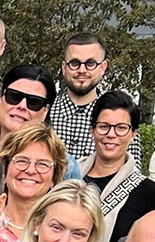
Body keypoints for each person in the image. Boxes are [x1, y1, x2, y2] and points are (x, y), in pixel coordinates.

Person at [70, 92, 155, 242]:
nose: (111, 134)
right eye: (104, 126)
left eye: (121, 128)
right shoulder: (69, 176)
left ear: (133, 133)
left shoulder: (147, 192)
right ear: (92, 130)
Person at [46, 34, 138, 170]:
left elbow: (132, 176)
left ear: (103, 67)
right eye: (75, 63)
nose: (82, 70)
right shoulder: (44, 112)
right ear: (64, 67)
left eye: (90, 64)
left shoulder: (122, 122)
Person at [0, 123, 70, 242]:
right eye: (22, 161)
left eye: (42, 164)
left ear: (53, 178)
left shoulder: (62, 233)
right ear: (5, 169)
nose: (31, 170)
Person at [0, 64, 55, 145]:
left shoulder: (60, 158)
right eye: (14, 96)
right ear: (0, 100)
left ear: (46, 111)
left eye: (33, 102)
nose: (22, 106)